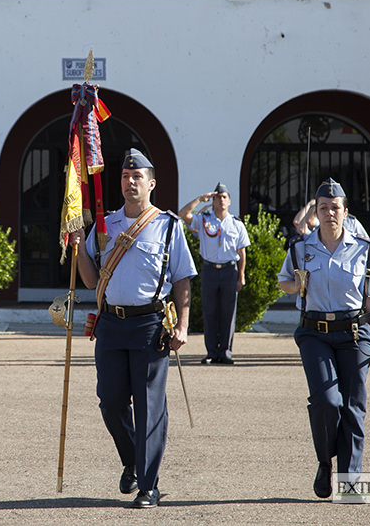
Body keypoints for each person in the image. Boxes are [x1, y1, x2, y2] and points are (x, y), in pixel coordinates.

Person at [70, 148, 197, 509]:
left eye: (137, 177)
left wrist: (184, 325)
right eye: (125, 177)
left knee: (149, 406)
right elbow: (93, 279)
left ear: (151, 183)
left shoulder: (168, 226)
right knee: (110, 402)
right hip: (110, 323)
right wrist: (80, 248)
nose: (129, 182)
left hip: (150, 326)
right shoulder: (105, 224)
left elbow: (183, 278)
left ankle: (149, 485)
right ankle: (131, 460)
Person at [278, 177, 370, 501]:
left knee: (354, 406)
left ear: (345, 212)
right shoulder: (300, 249)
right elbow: (283, 283)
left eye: (334, 208)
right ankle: (325, 462)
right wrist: (296, 285)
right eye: (323, 208)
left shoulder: (363, 248)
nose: (329, 214)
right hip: (315, 333)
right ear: (316, 211)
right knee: (326, 402)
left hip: (355, 333)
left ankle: (350, 480)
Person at [178, 183, 250, 364]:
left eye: (224, 197)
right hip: (209, 269)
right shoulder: (204, 220)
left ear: (230, 201)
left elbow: (242, 252)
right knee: (209, 311)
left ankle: (225, 352)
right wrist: (199, 199)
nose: (221, 200)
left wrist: (241, 276)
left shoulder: (236, 223)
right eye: (218, 197)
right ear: (213, 200)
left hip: (229, 270)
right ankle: (211, 352)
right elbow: (183, 214)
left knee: (228, 312)